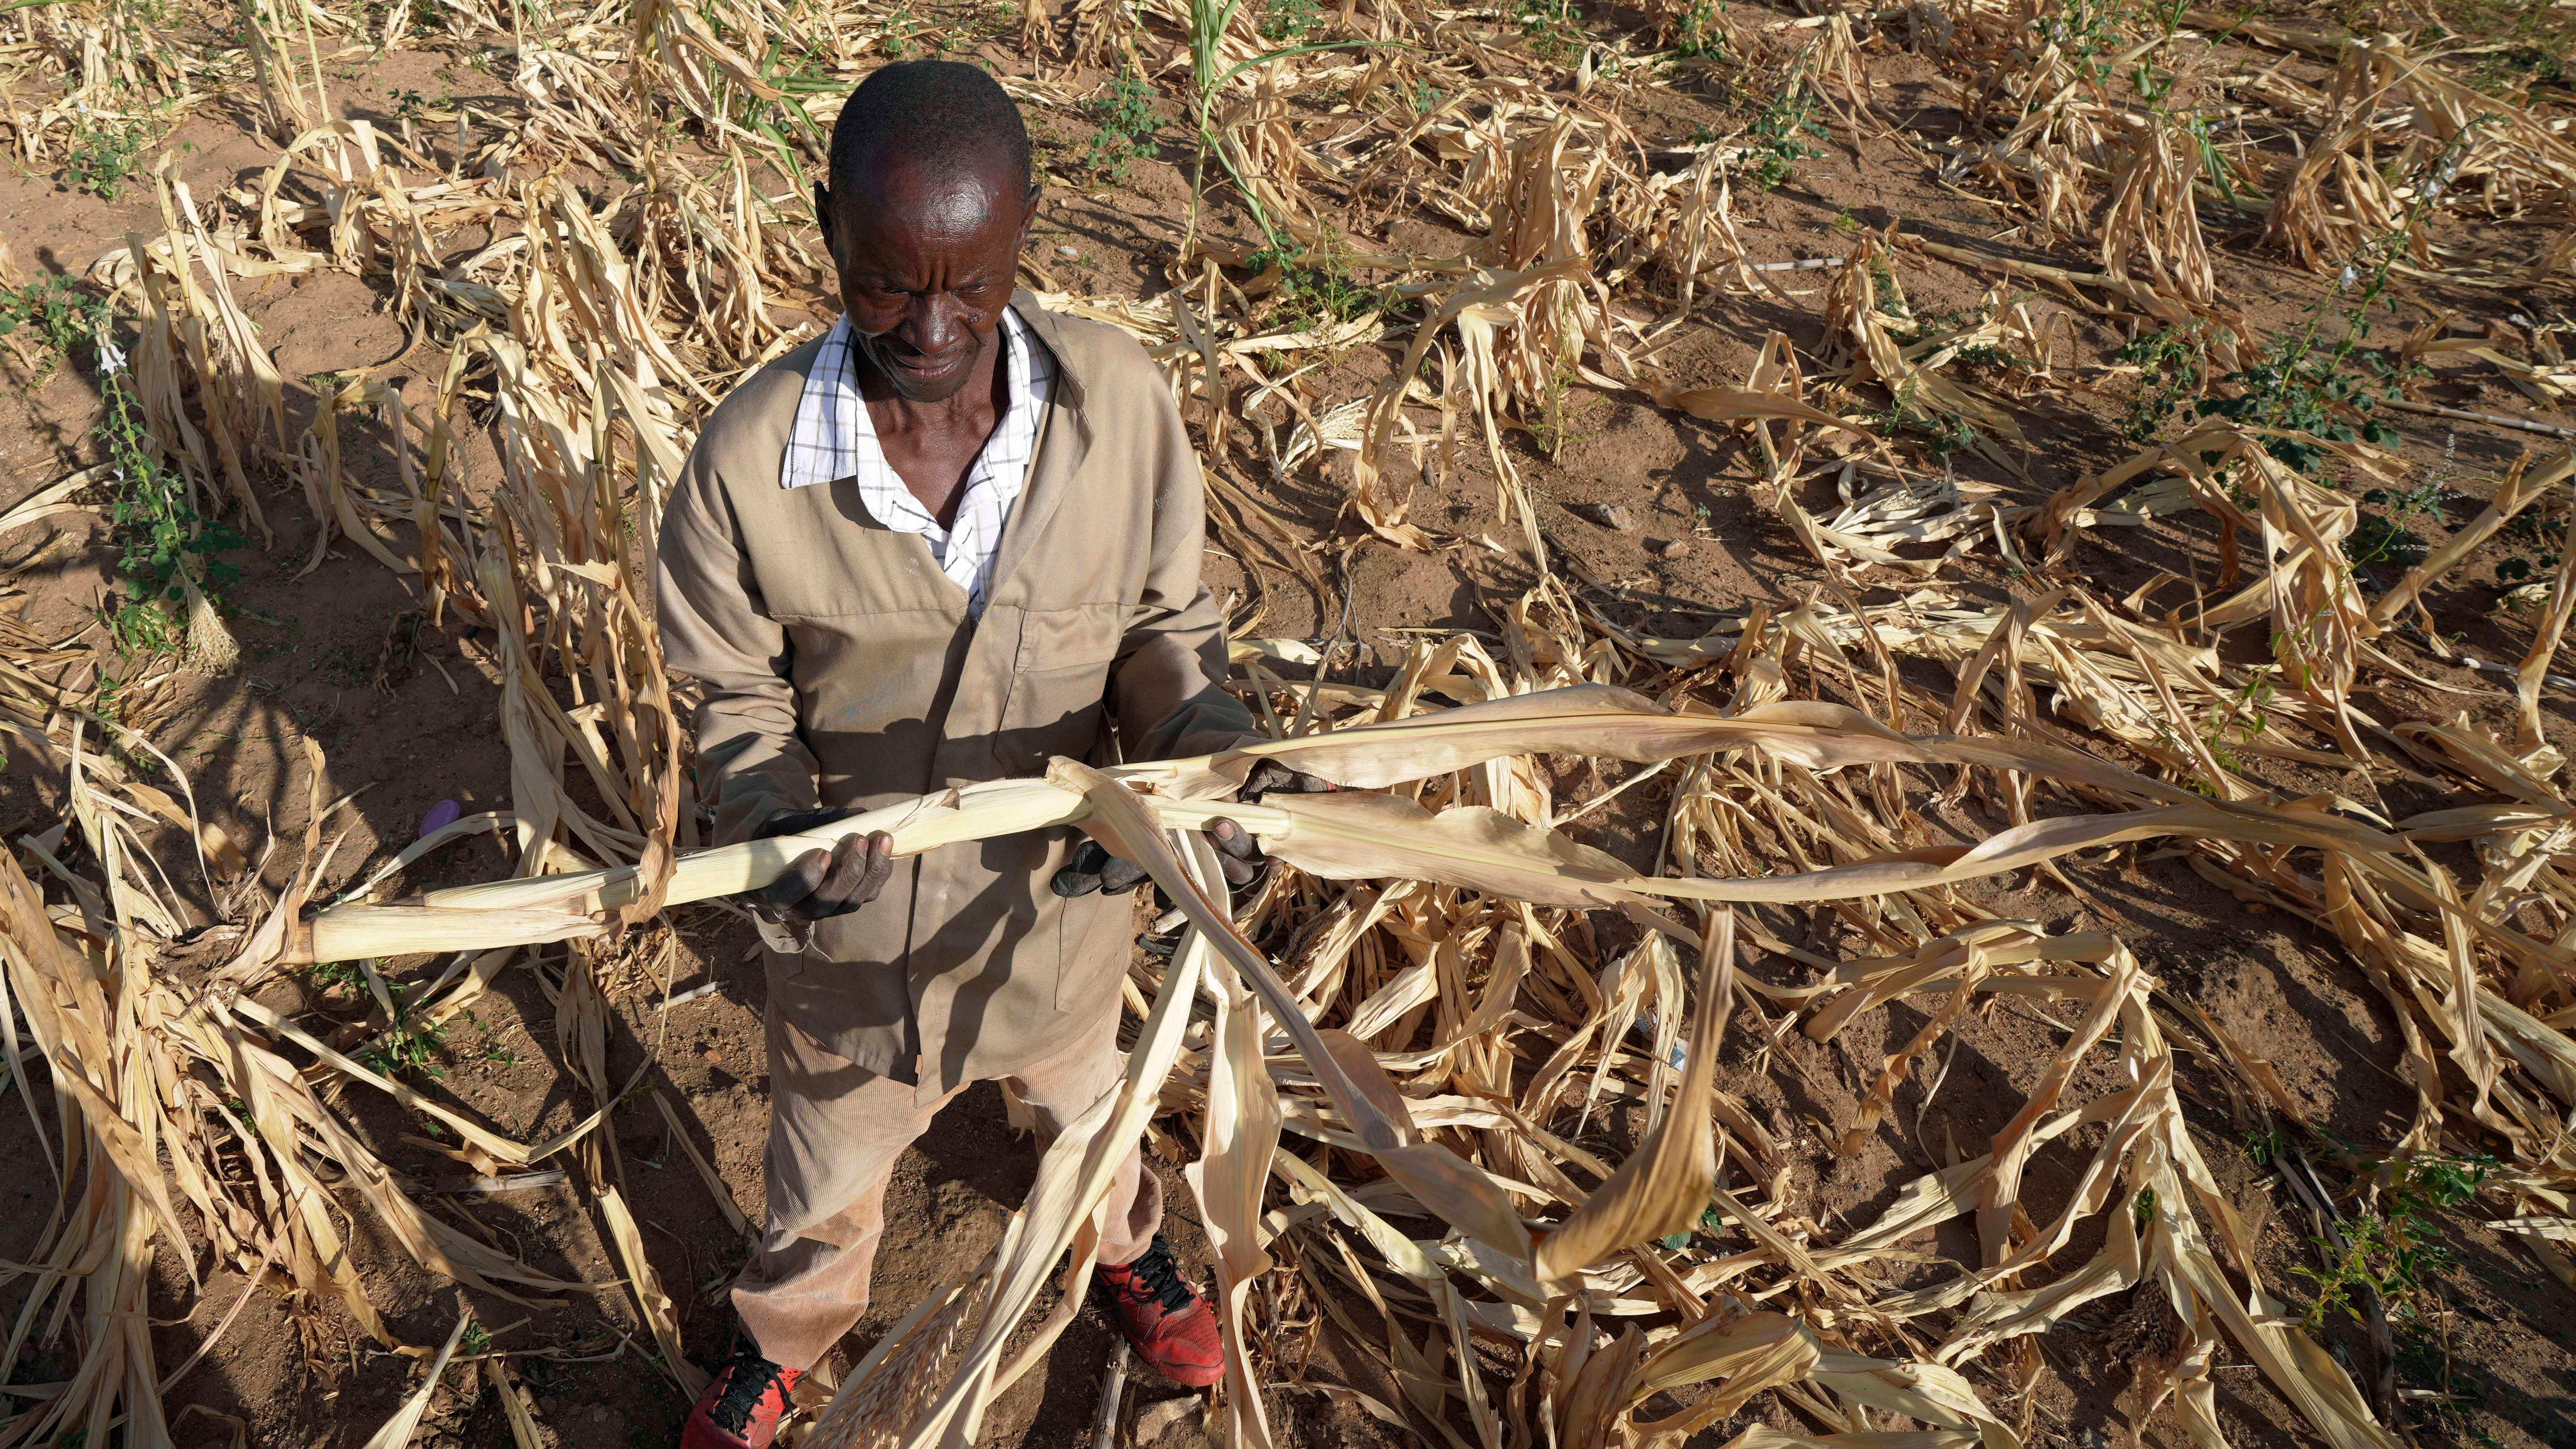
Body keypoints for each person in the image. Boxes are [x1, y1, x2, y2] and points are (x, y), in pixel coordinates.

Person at [655, 60, 1322, 1449]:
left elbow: (1163, 632)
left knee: (1091, 1124)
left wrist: (1208, 769)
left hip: (1057, 927)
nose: (931, 327)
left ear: (1026, 234)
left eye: (973, 285)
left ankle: (1122, 1249)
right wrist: (772, 826)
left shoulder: (1117, 406)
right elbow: (732, 696)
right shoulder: (746, 465)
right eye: (885, 285)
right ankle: (782, 1340)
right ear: (827, 228)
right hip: (855, 959)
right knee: (824, 1183)